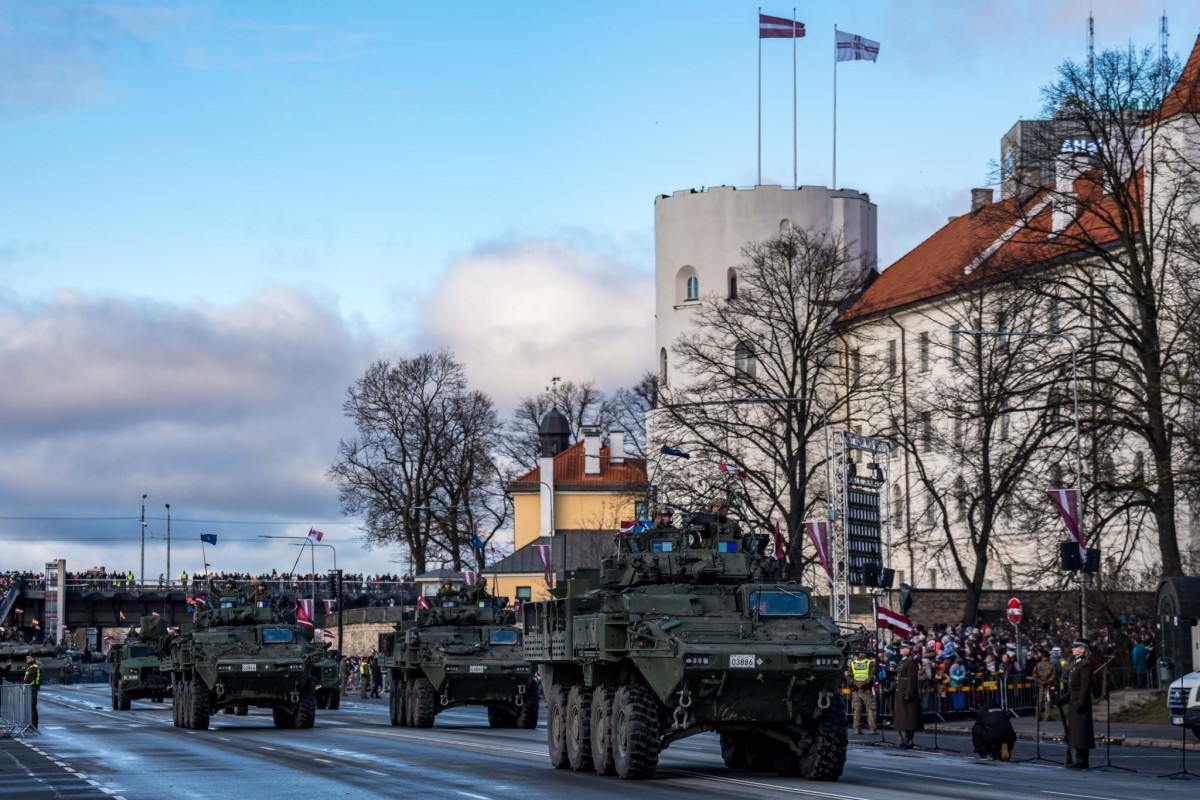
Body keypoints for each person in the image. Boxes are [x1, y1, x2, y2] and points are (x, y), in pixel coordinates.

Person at [1064, 638, 1095, 769]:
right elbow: (1072, 686)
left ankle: (1082, 760)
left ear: (1082, 649)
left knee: (1081, 731)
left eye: (1075, 647)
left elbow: (1084, 686)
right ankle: (1078, 758)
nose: (1073, 649)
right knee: (1076, 731)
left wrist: (1081, 702)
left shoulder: (1084, 665)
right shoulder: (1076, 664)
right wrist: (1065, 698)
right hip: (1074, 700)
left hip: (1080, 701)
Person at [892, 641, 923, 748]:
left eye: (902, 648)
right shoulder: (903, 660)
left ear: (908, 649)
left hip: (906, 692)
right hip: (901, 691)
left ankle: (908, 740)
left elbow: (911, 679)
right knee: (903, 718)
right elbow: (899, 678)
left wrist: (908, 694)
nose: (900, 649)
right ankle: (905, 740)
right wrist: (890, 689)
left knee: (909, 718)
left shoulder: (911, 662)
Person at [846, 646, 878, 735]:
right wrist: (865, 683)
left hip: (856, 690)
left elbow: (849, 676)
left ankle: (856, 729)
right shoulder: (870, 663)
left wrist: (854, 684)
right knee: (871, 709)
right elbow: (872, 675)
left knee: (857, 710)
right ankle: (872, 729)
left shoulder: (853, 663)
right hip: (866, 689)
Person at [1032, 648, 1058, 721]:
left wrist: (1039, 681)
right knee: (1047, 700)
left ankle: (1038, 716)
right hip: (1048, 685)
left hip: (1041, 685)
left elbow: (1034, 675)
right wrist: (1048, 681)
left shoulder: (1038, 665)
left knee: (1039, 701)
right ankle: (1047, 716)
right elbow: (1053, 675)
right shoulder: (1051, 665)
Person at [23, 652, 41, 729]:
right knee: (31, 707)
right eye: (27, 658)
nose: (27, 659)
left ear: (33, 658)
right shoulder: (30, 667)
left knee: (32, 707)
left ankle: (33, 724)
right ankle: (32, 723)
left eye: (29, 658)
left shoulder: (33, 668)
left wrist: (23, 684)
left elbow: (30, 680)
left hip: (32, 689)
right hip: (31, 689)